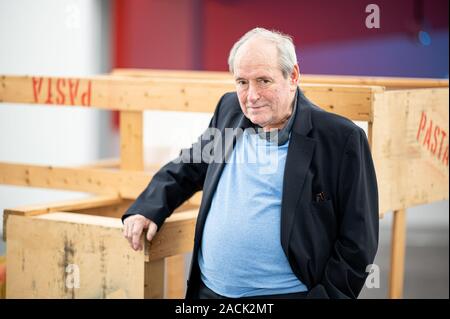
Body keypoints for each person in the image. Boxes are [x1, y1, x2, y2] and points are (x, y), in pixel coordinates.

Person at [122, 27, 379, 299]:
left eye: (263, 81)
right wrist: (148, 207)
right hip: (208, 293)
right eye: (242, 82)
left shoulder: (340, 139)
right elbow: (190, 165)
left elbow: (358, 242)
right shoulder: (230, 111)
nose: (251, 96)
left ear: (292, 76)